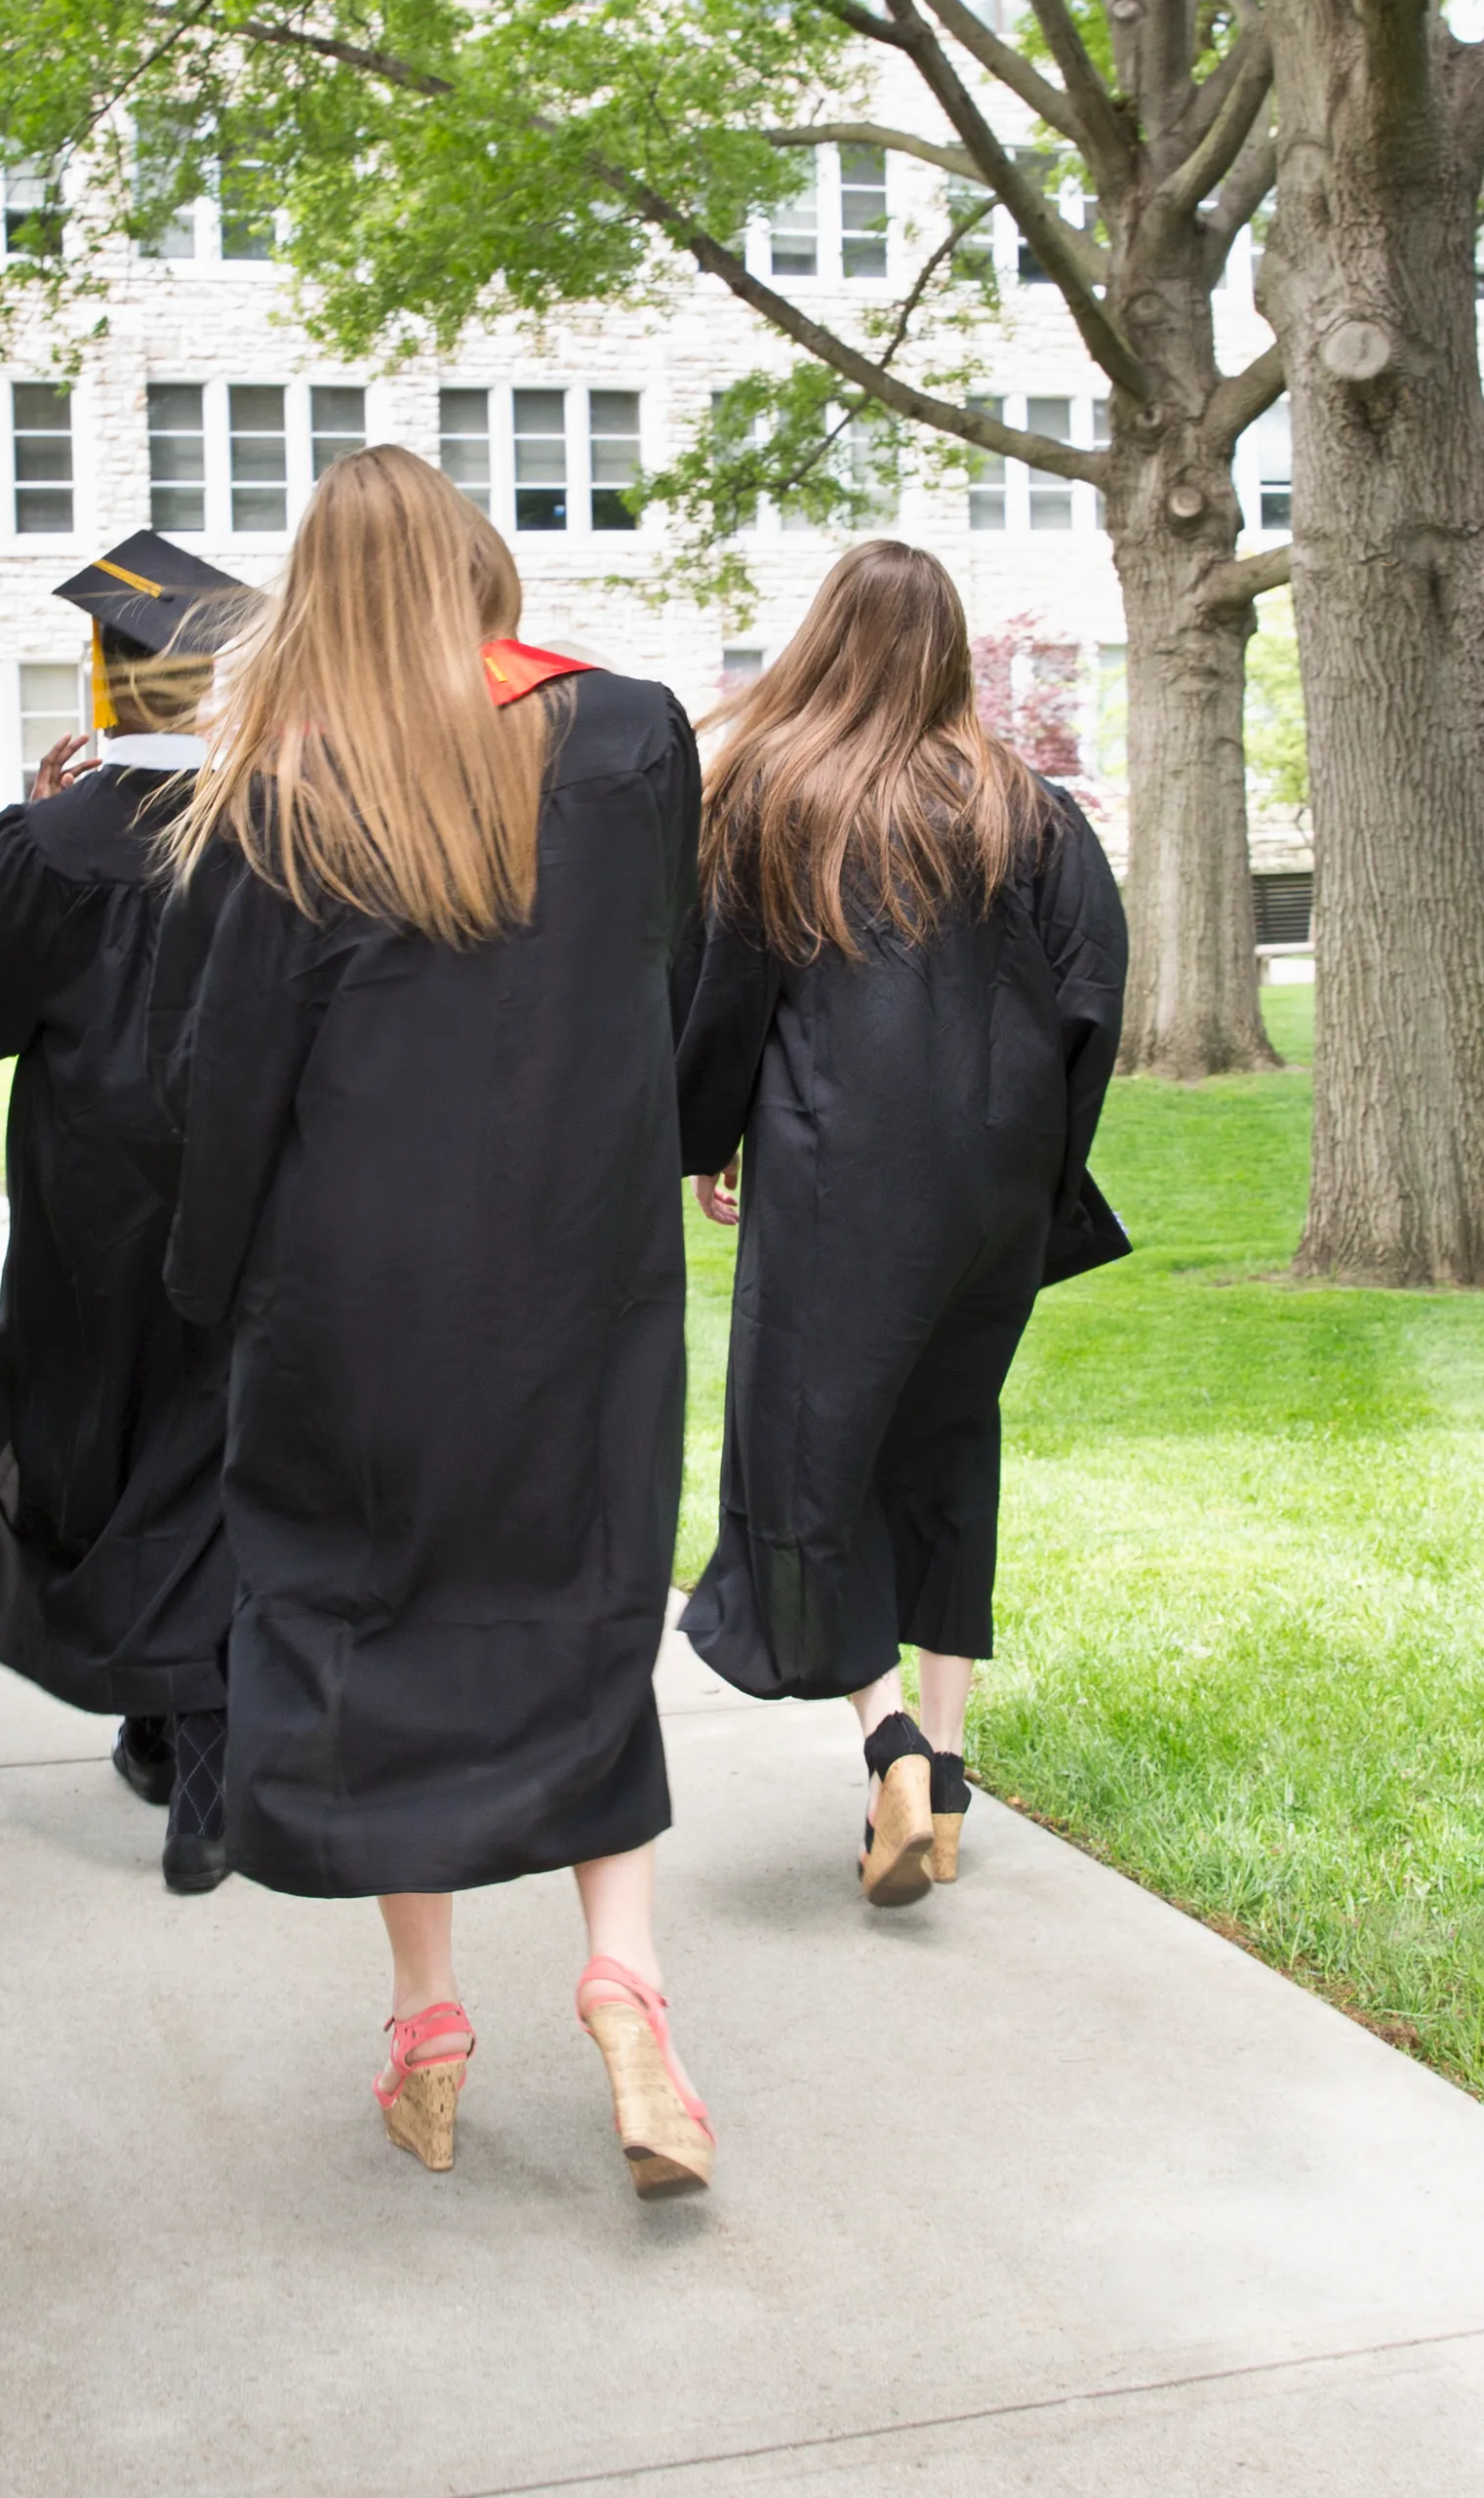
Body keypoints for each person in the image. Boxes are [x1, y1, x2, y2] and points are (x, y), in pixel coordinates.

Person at [157, 447, 713, 2194]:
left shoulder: (282, 796)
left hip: (357, 1305)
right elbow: (665, 985)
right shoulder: (628, 739)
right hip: (580, 1280)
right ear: (483, 580)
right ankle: (626, 1986)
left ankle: (429, 2017)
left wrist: (199, 1292)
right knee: (582, 1602)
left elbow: (229, 1090)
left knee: (372, 1628)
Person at [675, 542, 1130, 1909]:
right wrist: (1039, 1171)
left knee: (812, 1458)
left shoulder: (775, 794)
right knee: (944, 1445)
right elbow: (1092, 999)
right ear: (947, 653)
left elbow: (722, 998)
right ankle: (949, 1754)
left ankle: (884, 1746)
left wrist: (707, 1139)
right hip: (990, 1183)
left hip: (834, 1178)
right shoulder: (1027, 809)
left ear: (829, 641)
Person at [0, 532, 247, 1894]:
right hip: (249, 1206)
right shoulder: (278, 831)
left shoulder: (49, 841)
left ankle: (192, 1760)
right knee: (209, 1448)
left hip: (92, 1213)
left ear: (110, 682)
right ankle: (180, 1730)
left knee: (97, 1436)